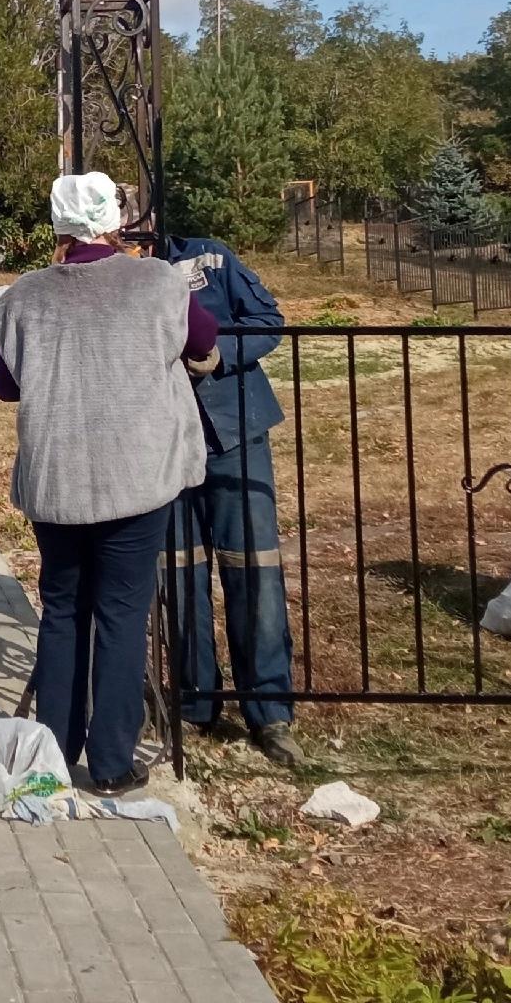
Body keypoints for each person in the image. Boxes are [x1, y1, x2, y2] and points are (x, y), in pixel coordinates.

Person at [0, 172, 216, 792]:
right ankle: (113, 764)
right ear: (114, 220)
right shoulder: (157, 282)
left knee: (62, 609)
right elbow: (203, 338)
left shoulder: (22, 298)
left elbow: (4, 385)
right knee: (122, 611)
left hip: (56, 478)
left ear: (58, 223)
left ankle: (55, 753)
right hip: (135, 475)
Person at [160, 234, 305, 770]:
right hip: (164, 442)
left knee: (255, 570)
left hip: (234, 434)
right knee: (179, 571)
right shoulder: (117, 273)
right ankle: (195, 701)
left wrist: (221, 354)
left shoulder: (209, 256)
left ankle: (269, 710)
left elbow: (268, 320)